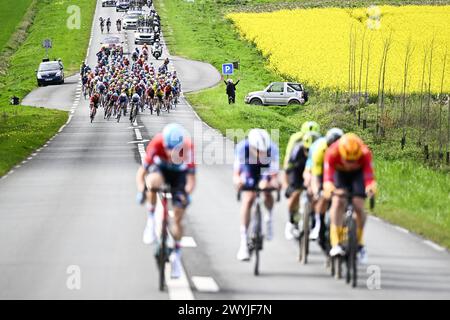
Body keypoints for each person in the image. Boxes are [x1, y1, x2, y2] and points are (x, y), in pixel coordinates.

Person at [135, 123, 196, 278]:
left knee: (178, 217)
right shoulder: (157, 142)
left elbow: (191, 179)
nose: (170, 153)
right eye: (168, 148)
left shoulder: (188, 146)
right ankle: (151, 220)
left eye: (174, 149)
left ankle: (176, 256)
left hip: (179, 177)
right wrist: (142, 189)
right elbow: (142, 172)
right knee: (152, 182)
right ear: (164, 143)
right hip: (160, 171)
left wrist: (186, 193)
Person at [323, 133, 376, 264]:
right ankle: (335, 243)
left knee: (359, 205)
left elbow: (369, 177)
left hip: (358, 175)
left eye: (353, 161)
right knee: (338, 200)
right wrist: (329, 188)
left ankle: (359, 243)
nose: (350, 164)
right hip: (340, 174)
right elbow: (328, 177)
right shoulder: (332, 152)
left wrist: (371, 188)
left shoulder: (365, 153)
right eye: (348, 160)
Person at [233, 129, 280, 261]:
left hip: (266, 168)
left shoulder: (273, 149)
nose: (262, 153)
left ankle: (269, 218)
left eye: (264, 150)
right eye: (259, 151)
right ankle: (243, 243)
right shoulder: (243, 148)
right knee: (248, 198)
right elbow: (237, 173)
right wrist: (238, 181)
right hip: (249, 168)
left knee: (267, 193)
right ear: (252, 147)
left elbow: (273, 173)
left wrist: (270, 182)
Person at [304, 128, 343, 247]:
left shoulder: (345, 149)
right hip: (320, 168)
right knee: (320, 195)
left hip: (337, 169)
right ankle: (318, 224)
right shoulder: (319, 150)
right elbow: (316, 176)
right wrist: (317, 192)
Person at [283, 121, 320, 239]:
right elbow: (288, 163)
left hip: (313, 167)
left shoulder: (319, 142)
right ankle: (290, 222)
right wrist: (287, 185)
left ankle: (314, 219)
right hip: (297, 166)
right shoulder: (296, 141)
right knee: (295, 193)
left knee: (315, 194)